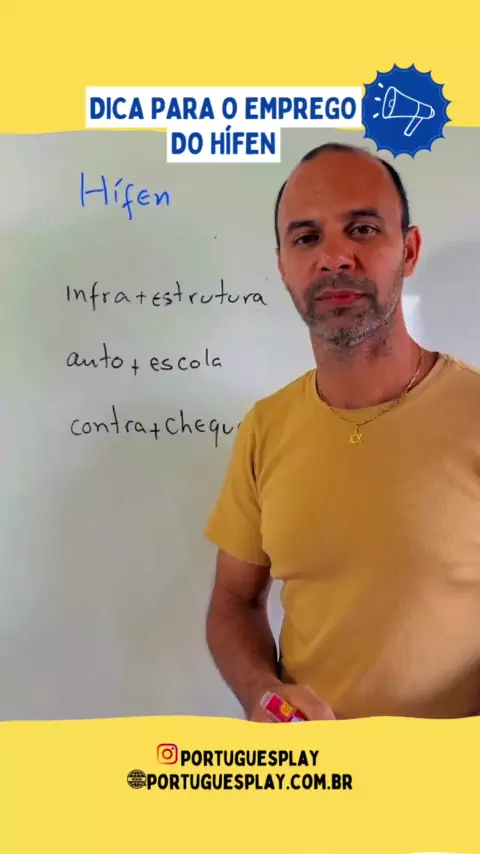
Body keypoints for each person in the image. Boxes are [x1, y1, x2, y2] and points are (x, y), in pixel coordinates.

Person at [203, 142, 480, 722]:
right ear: (284, 267)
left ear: (409, 250)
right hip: (316, 772)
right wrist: (261, 692)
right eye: (306, 238)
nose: (334, 258)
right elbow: (234, 600)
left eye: (362, 229)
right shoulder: (265, 428)